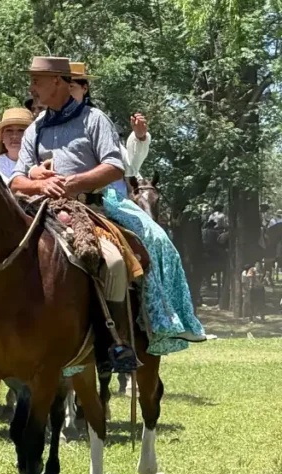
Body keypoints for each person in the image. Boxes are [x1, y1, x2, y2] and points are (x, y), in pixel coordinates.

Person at [12, 56, 204, 356]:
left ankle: (116, 342)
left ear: (58, 82)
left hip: (86, 209)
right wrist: (39, 184)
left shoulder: (94, 119)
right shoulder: (35, 128)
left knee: (114, 262)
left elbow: (114, 167)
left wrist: (71, 183)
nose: (32, 87)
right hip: (37, 211)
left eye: (37, 80)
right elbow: (16, 180)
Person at [67, 62, 152, 197]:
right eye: (61, 87)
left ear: (84, 88)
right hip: (49, 192)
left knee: (143, 219)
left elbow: (129, 168)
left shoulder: (96, 120)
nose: (66, 92)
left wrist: (140, 138)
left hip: (100, 197)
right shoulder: (43, 121)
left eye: (71, 86)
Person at [0, 107, 33, 183]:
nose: (14, 136)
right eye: (9, 130)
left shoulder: (41, 164)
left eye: (21, 130)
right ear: (2, 137)